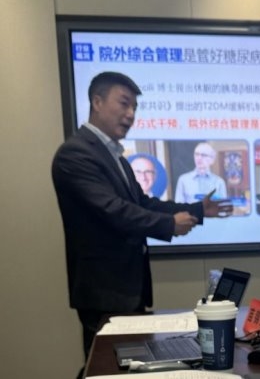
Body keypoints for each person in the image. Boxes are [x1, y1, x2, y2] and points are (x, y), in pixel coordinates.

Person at [51, 72, 233, 379]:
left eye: (135, 107)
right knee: (107, 370)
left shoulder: (116, 158)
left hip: (127, 288)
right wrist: (168, 224)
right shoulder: (76, 154)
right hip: (103, 290)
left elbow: (143, 203)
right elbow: (114, 211)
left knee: (128, 369)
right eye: (124, 103)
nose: (131, 114)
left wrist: (198, 210)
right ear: (97, 101)